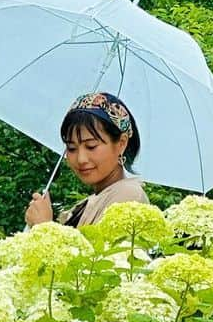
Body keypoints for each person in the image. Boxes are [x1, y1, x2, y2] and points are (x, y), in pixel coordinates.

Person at [24, 91, 149, 229]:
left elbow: (111, 250)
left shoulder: (129, 196)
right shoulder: (86, 204)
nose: (81, 159)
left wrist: (43, 226)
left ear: (121, 143)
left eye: (91, 146)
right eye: (71, 148)